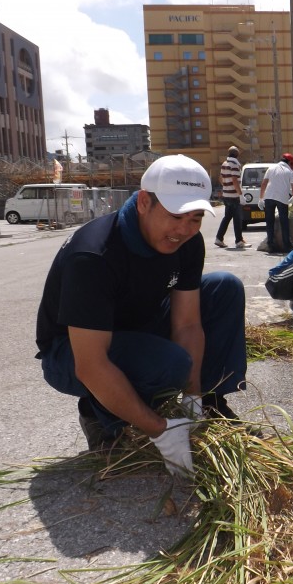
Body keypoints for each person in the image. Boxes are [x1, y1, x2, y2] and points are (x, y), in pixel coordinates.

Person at [35, 154, 248, 478]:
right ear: (144, 202)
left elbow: (188, 324)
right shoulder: (94, 254)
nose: (184, 229)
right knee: (170, 363)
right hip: (70, 353)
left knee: (224, 288)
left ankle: (209, 405)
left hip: (136, 326)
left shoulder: (186, 243)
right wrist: (160, 429)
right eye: (176, 216)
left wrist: (192, 396)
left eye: (194, 218)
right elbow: (90, 364)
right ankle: (100, 416)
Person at [259, 152, 293, 253]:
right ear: (289, 162)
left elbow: (264, 183)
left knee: (269, 222)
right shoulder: (289, 171)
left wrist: (261, 198)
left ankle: (270, 245)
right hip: (282, 198)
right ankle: (286, 245)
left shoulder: (271, 168)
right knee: (284, 222)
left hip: (269, 197)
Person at [214, 145, 246, 249]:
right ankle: (239, 241)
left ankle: (219, 238)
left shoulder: (224, 163)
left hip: (226, 195)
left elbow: (220, 178)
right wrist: (240, 194)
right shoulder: (234, 165)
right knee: (237, 218)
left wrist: (226, 186)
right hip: (234, 196)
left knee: (227, 217)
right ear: (237, 154)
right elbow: (235, 180)